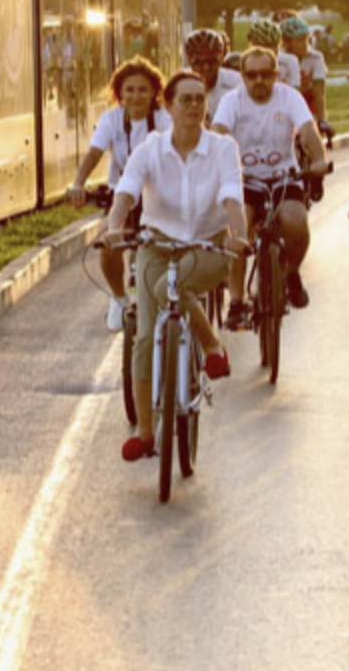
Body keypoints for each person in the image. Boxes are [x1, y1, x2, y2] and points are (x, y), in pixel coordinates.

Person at [100, 70, 248, 461]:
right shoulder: (151, 148)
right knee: (145, 337)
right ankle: (146, 433)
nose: (195, 106)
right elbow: (127, 191)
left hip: (208, 244)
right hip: (157, 245)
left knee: (174, 287)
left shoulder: (222, 147)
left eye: (200, 99)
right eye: (186, 99)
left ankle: (210, 344)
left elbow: (232, 194)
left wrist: (239, 234)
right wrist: (114, 227)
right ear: (168, 106)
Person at [212, 46, 328, 326]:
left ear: (276, 75)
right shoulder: (232, 100)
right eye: (252, 75)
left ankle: (291, 273)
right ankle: (237, 301)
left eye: (265, 74)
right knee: (239, 228)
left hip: (283, 176)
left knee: (295, 219)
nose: (259, 80)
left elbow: (308, 130)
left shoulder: (289, 97)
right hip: (244, 178)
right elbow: (220, 133)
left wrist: (318, 160)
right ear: (243, 76)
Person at [68, 57, 172, 331]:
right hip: (123, 193)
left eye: (142, 89)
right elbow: (95, 153)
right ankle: (118, 297)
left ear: (154, 92)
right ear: (119, 93)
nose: (136, 96)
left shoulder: (164, 118)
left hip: (157, 193)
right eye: (129, 90)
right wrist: (78, 183)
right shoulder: (111, 119)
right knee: (109, 242)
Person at [280, 14, 330, 134]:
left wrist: (322, 119)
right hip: (284, 101)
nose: (304, 44)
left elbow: (319, 91)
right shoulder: (280, 59)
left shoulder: (316, 57)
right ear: (287, 43)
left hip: (307, 99)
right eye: (299, 40)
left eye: (306, 39)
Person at [184, 28, 242, 119]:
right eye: (200, 62)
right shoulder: (180, 83)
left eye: (211, 61)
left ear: (221, 58)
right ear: (189, 60)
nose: (206, 67)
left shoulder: (237, 82)